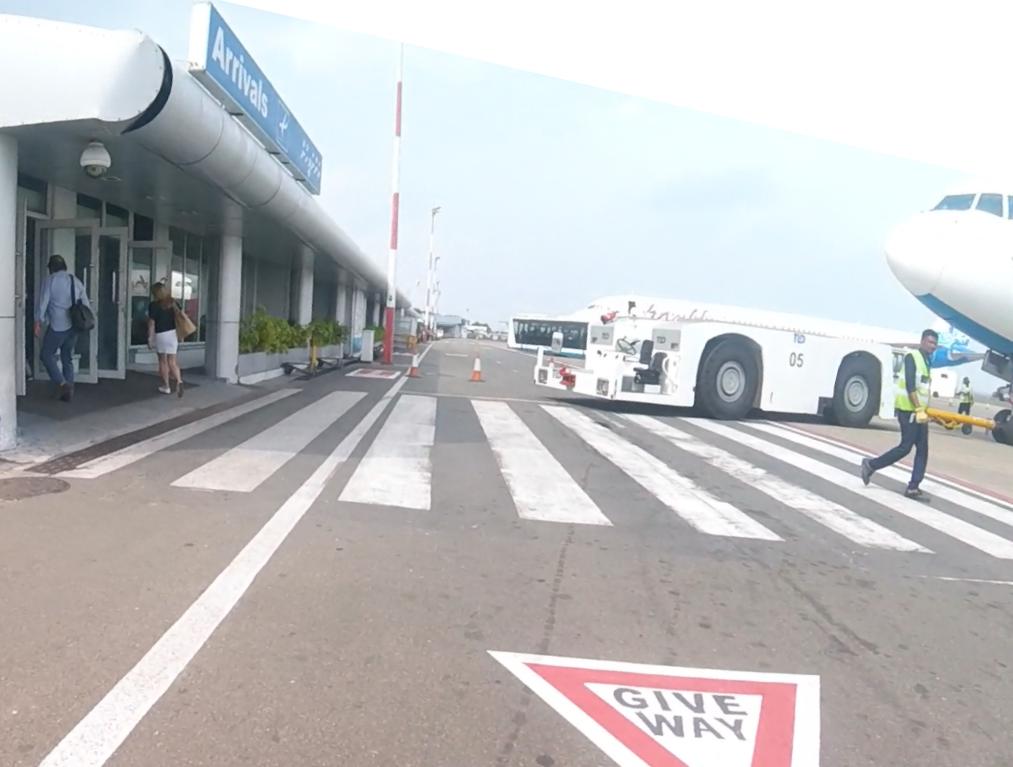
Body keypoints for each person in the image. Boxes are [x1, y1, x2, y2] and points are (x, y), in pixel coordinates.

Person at [861, 329, 938, 500]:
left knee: (922, 449)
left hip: (919, 413)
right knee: (905, 447)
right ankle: (871, 465)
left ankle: (913, 486)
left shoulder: (926, 361)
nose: (933, 346)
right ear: (922, 341)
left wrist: (925, 411)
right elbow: (910, 386)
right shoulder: (912, 357)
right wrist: (918, 409)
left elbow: (923, 389)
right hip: (909, 411)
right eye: (930, 342)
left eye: (935, 344)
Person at [34, 254, 90, 403]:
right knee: (67, 357)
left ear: (51, 268)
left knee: (46, 354)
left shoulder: (50, 280)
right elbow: (85, 304)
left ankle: (63, 383)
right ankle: (68, 392)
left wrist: (38, 321)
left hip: (58, 326)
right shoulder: (75, 280)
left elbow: (43, 302)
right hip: (74, 326)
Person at [147, 282, 184, 398]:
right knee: (172, 361)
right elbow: (180, 318)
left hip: (161, 335)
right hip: (173, 334)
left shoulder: (154, 305)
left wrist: (150, 338)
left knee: (163, 361)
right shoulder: (173, 303)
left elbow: (152, 323)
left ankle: (166, 386)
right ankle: (179, 381)